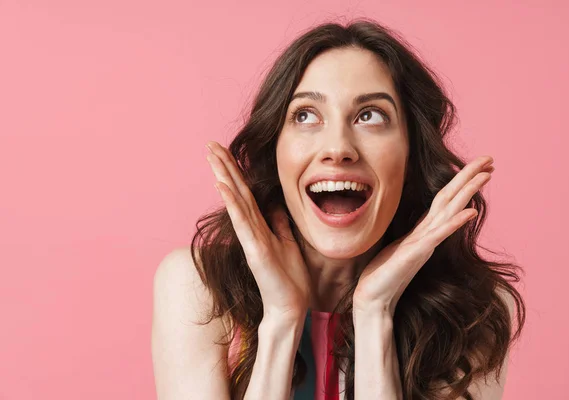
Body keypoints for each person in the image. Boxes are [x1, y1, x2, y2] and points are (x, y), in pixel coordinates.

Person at [152, 18, 526, 400]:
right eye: (305, 115)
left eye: (371, 116)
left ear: (413, 154)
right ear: (275, 149)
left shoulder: (475, 312)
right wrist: (282, 320)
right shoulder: (198, 286)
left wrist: (374, 312)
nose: (338, 148)